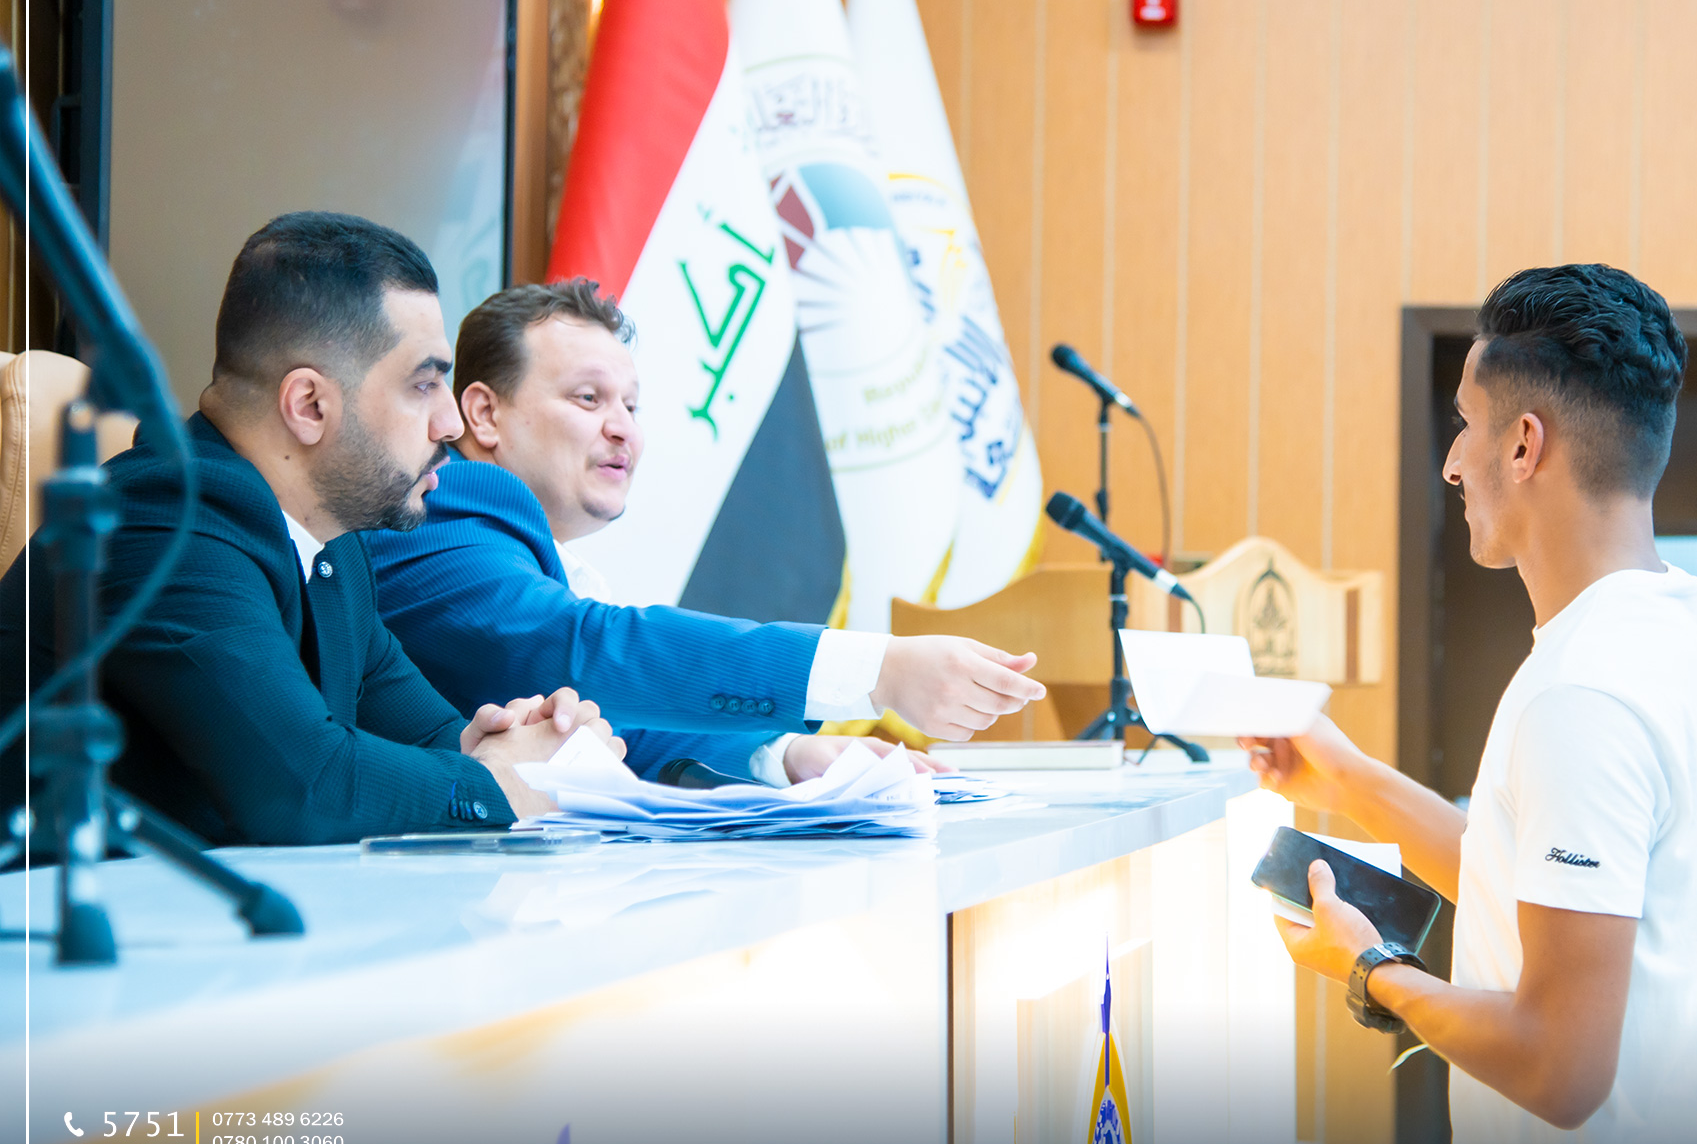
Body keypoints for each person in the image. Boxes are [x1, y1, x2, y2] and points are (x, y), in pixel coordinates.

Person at [1243, 265, 1697, 1144]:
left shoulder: (1584, 694)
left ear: (1523, 445)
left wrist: (1371, 970)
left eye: (1465, 425)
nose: (1451, 463)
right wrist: (1346, 778)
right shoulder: (1688, 631)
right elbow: (1531, 883)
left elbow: (1560, 1067)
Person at [1, 212, 609, 846]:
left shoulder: (332, 549)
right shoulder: (166, 519)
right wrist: (507, 785)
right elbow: (304, 789)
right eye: (424, 384)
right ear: (309, 405)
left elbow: (433, 741)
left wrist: (531, 747)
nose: (450, 423)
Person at [365, 280, 1048, 788]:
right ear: (484, 414)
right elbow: (579, 649)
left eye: (632, 405)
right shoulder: (433, 507)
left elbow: (617, 723)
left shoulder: (526, 548)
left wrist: (786, 755)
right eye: (588, 398)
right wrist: (878, 669)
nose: (623, 429)